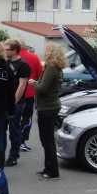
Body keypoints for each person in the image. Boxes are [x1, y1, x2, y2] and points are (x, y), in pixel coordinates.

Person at [30, 43, 65, 180]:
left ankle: (52, 171)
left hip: (47, 107)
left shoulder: (51, 67)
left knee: (47, 140)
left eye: (46, 50)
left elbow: (43, 88)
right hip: (51, 106)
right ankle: (48, 168)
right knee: (47, 139)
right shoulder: (57, 67)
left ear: (51, 52)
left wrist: (34, 83)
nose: (44, 52)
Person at [3, 39, 30, 167]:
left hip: (16, 103)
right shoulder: (5, 62)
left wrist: (13, 103)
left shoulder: (23, 65)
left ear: (14, 50)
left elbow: (22, 85)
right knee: (1, 129)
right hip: (4, 101)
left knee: (14, 131)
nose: (4, 51)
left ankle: (13, 157)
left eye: (7, 49)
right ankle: (0, 155)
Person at [19, 43, 42, 152]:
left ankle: (14, 140)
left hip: (13, 93)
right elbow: (39, 75)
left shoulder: (10, 57)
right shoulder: (34, 57)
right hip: (28, 93)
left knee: (13, 119)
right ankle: (22, 141)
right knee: (26, 118)